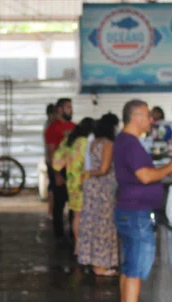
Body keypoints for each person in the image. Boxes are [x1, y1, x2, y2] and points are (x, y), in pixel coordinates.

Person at [114, 100, 172, 302]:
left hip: (128, 210)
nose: (151, 120)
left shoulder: (124, 141)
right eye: (147, 116)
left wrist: (168, 171)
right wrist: (171, 165)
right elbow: (145, 176)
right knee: (135, 269)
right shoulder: (131, 144)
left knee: (128, 269)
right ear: (136, 117)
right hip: (137, 213)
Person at [78, 114, 120, 277]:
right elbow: (104, 169)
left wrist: (88, 174)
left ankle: (92, 259)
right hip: (102, 188)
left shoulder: (92, 143)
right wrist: (91, 173)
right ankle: (101, 265)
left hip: (92, 187)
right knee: (104, 224)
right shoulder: (107, 144)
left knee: (92, 223)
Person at [59, 118, 95, 246]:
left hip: (72, 182)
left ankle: (77, 245)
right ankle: (85, 245)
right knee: (87, 215)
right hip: (84, 182)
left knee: (76, 215)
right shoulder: (88, 143)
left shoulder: (69, 141)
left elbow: (57, 162)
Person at [45, 98, 75, 241]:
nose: (71, 110)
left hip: (74, 171)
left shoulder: (75, 127)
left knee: (74, 203)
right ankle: (59, 235)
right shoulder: (52, 128)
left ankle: (73, 231)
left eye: (71, 107)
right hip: (60, 170)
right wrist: (56, 174)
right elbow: (51, 152)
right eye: (68, 107)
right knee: (59, 203)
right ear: (59, 109)